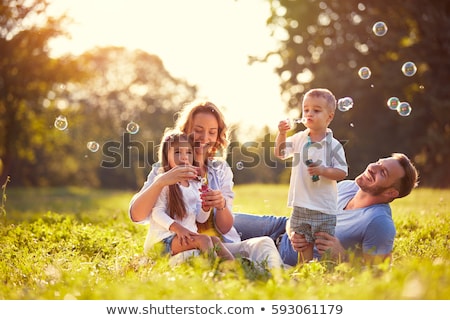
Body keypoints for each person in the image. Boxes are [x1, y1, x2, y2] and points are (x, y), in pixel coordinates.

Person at [129, 100, 284, 268]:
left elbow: (224, 228)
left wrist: (220, 205)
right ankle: (230, 271)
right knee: (196, 255)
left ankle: (279, 278)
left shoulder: (220, 169)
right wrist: (160, 182)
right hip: (182, 247)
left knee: (264, 243)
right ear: (185, 131)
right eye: (198, 130)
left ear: (218, 136)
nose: (205, 138)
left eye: (212, 132)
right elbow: (136, 216)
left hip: (218, 245)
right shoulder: (163, 170)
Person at [233, 153, 419, 266]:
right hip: (280, 227)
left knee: (220, 248)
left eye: (383, 172)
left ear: (391, 192)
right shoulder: (347, 186)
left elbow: (377, 276)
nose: (372, 168)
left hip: (288, 255)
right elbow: (303, 212)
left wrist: (343, 257)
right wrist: (292, 230)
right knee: (220, 219)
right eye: (378, 163)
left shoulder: (378, 222)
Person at [274, 88, 348, 263]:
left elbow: (342, 172)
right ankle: (305, 270)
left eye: (316, 110)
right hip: (301, 204)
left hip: (323, 206)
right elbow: (280, 152)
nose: (309, 114)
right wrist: (282, 134)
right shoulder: (300, 138)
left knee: (324, 244)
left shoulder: (334, 145)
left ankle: (329, 272)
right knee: (302, 243)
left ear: (329, 117)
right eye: (306, 110)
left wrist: (323, 170)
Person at [144, 130, 234, 261]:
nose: (184, 157)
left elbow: (201, 219)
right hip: (162, 242)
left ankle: (235, 270)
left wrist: (205, 207)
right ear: (166, 156)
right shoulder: (164, 181)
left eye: (188, 152)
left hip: (184, 238)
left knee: (214, 240)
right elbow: (156, 213)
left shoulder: (194, 184)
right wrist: (179, 229)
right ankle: (215, 272)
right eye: (177, 152)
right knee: (203, 240)